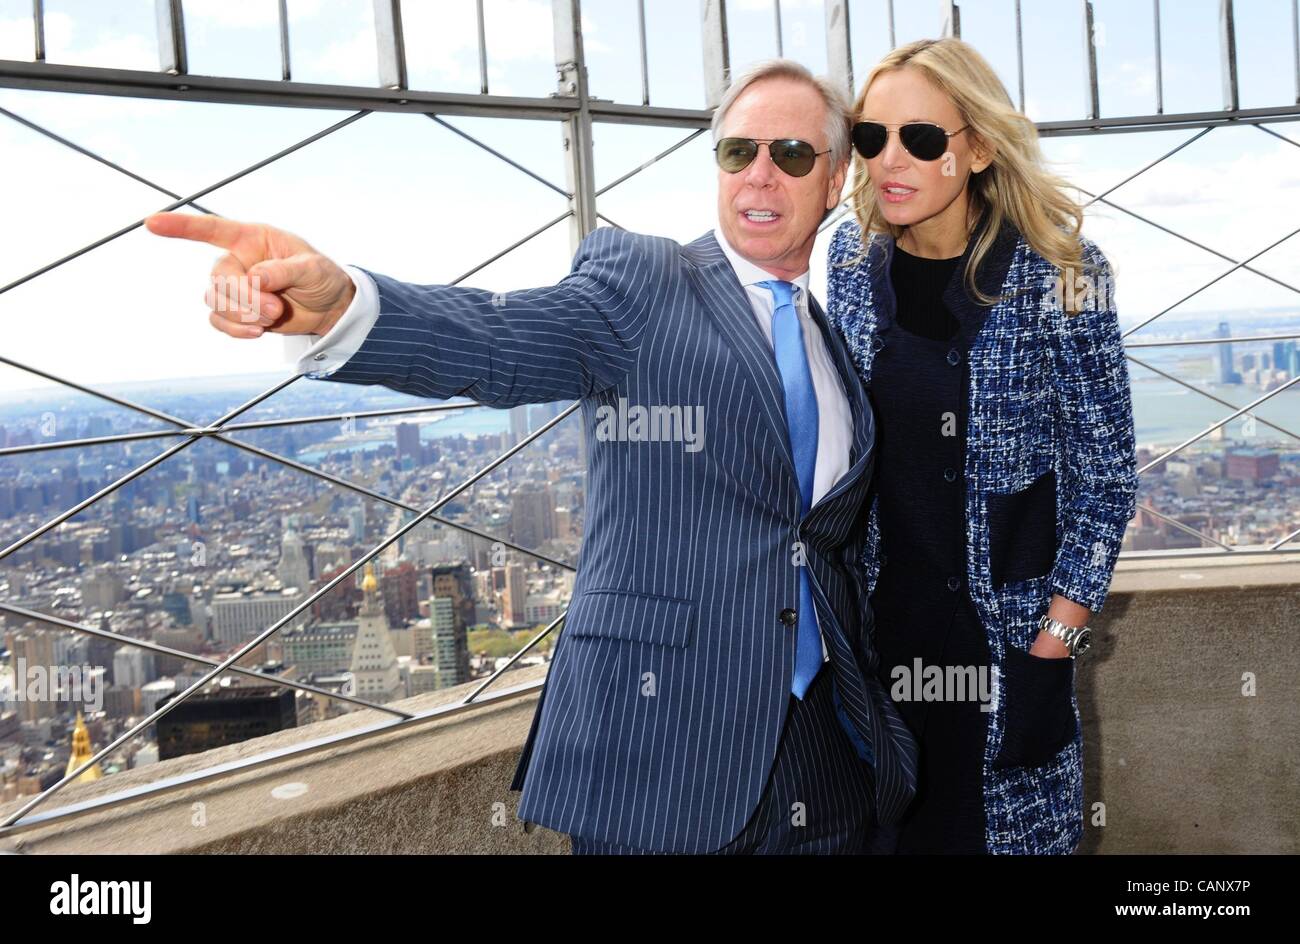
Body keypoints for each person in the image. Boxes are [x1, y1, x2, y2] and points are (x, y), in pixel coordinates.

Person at [145, 58, 916, 855]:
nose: (759, 175)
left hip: (825, 755)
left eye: (790, 154)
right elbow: (499, 338)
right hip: (664, 752)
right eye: (736, 152)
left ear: (834, 181)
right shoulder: (646, 281)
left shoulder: (831, 340)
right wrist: (343, 306)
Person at [826, 37, 1138, 854]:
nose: (890, 159)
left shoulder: (1064, 270)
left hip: (1007, 652)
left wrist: (1055, 646)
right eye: (871, 136)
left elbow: (1106, 481)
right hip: (881, 651)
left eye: (922, 138)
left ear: (978, 148)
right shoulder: (852, 263)